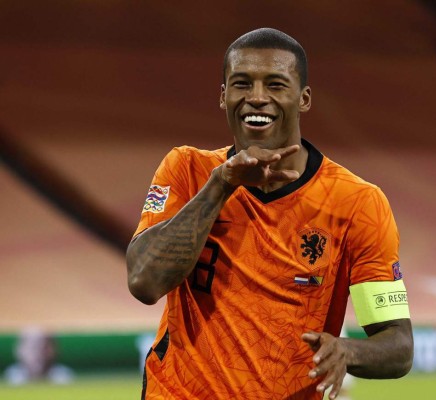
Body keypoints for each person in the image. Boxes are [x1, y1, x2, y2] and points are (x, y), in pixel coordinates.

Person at [126, 27, 413, 400]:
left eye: (276, 84)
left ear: (304, 98)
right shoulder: (187, 170)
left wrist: (348, 350)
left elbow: (398, 344)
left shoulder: (357, 203)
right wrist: (222, 185)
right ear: (224, 96)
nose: (257, 98)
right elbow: (144, 282)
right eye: (242, 84)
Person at [4, 327, 74, 385]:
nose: (39, 353)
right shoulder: (11, 378)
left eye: (45, 347)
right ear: (19, 350)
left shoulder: (64, 377)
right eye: (32, 347)